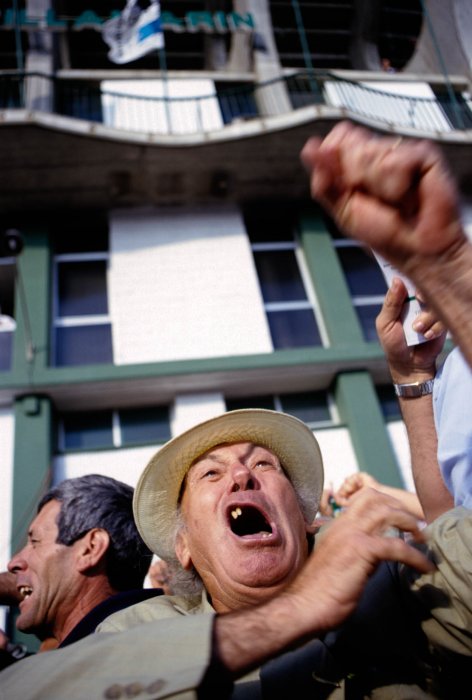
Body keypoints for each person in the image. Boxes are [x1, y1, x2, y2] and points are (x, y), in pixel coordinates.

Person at [1, 408, 469, 699]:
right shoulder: (137, 628)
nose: (242, 478)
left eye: (263, 464)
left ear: (307, 519)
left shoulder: (390, 575)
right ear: (183, 548)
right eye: (210, 475)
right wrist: (294, 612)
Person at [2, 474, 156, 664]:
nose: (14, 562)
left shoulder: (111, 662)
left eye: (35, 542)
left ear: (91, 548)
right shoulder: (157, 636)